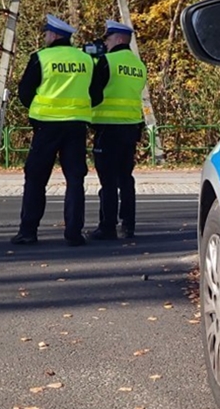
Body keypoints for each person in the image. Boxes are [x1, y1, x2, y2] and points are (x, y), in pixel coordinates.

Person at [10, 14, 103, 247]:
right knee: (74, 179)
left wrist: (39, 108)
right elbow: (97, 95)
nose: (45, 37)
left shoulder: (41, 58)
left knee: (36, 179)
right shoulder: (86, 60)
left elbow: (24, 92)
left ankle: (28, 231)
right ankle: (74, 233)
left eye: (46, 33)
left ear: (54, 35)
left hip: (46, 126)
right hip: (76, 126)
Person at [88, 20, 148, 240]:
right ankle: (128, 224)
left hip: (107, 127)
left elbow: (93, 91)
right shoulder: (139, 65)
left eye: (109, 38)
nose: (106, 42)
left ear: (120, 39)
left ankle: (108, 226)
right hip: (131, 127)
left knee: (108, 181)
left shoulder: (107, 62)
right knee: (126, 178)